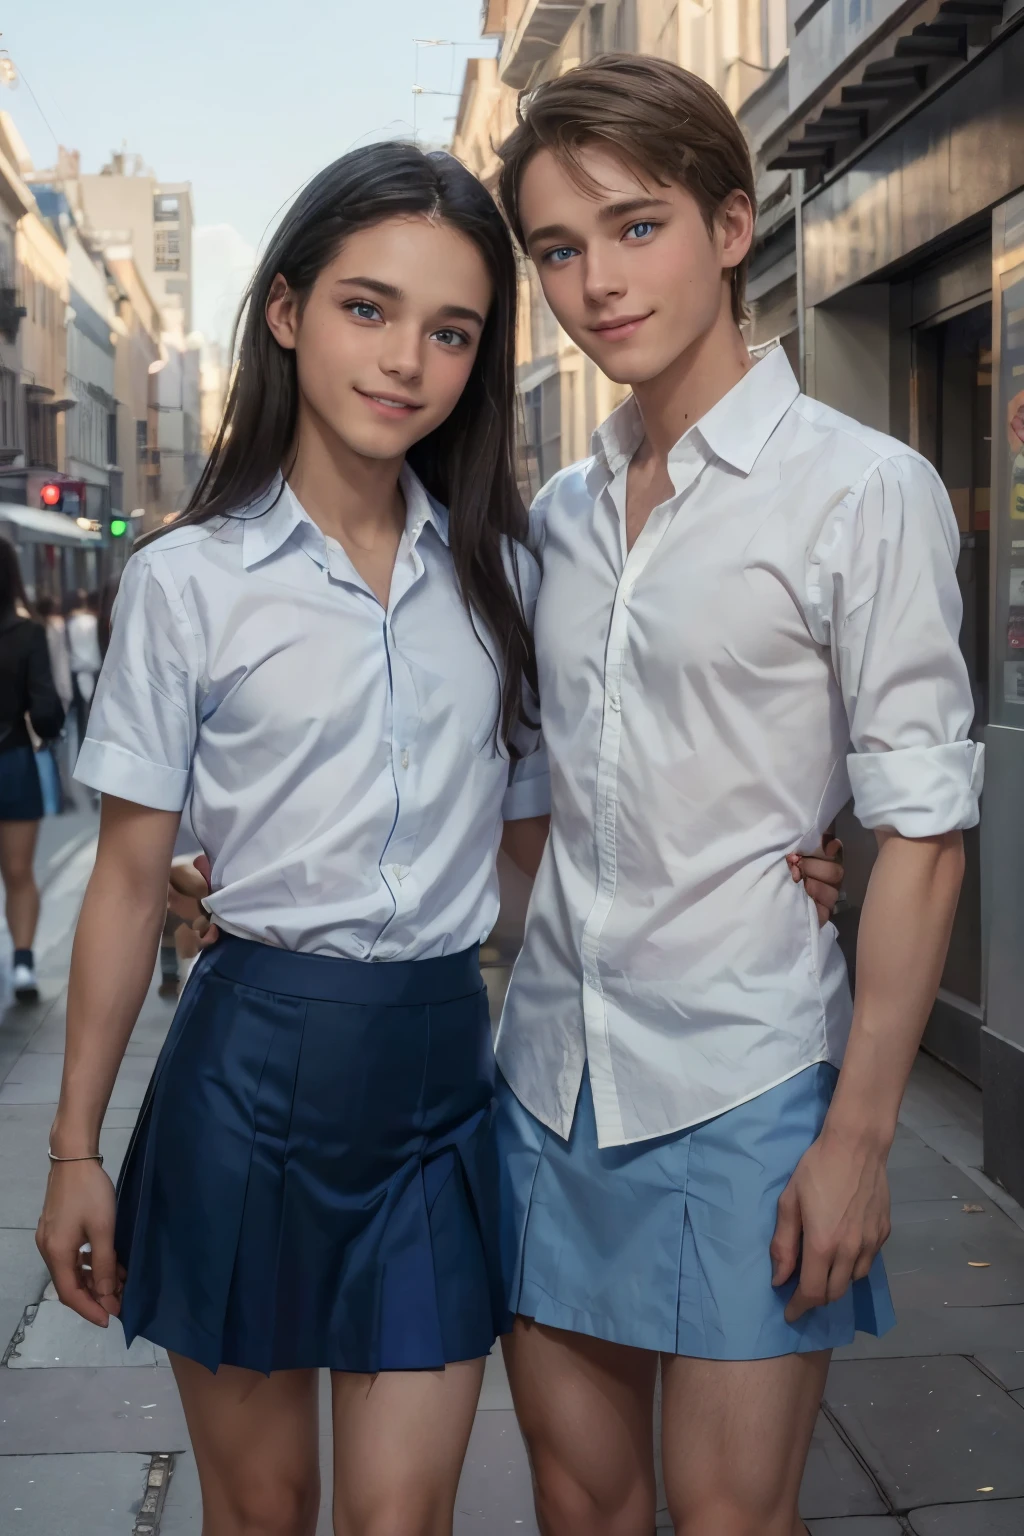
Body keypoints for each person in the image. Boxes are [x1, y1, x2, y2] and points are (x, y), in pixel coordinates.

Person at [34, 140, 840, 1536]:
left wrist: (775, 865)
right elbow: (119, 879)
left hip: (437, 1092)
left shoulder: (511, 573)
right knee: (264, 1514)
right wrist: (72, 1150)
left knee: (402, 1521)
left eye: (451, 329)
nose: (406, 359)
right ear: (285, 311)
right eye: (368, 307)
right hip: (245, 1078)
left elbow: (558, 830)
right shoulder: (186, 581)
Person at [486, 55, 979, 1536]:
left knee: (729, 1520)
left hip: (745, 1086)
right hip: (543, 1081)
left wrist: (860, 1135)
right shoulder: (554, 520)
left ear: (730, 224)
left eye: (634, 228)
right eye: (558, 251)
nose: (595, 283)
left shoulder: (860, 488)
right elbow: (520, 787)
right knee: (581, 1510)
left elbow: (927, 823)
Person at [0, 542, 65, 1001]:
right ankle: (22, 964)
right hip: (13, 760)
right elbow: (46, 713)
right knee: (19, 872)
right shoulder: (26, 635)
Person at [64, 588, 102, 749]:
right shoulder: (94, 621)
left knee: (81, 719)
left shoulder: (70, 623)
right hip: (95, 671)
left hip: (78, 671)